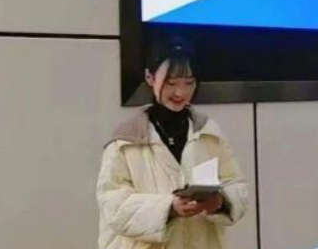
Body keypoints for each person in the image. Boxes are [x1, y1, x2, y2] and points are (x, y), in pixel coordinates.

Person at [96, 39, 248, 249]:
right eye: (171, 82)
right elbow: (112, 204)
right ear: (150, 77)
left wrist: (221, 201)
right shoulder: (125, 140)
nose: (180, 92)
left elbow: (237, 185)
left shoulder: (209, 133)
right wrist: (169, 208)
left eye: (189, 82)